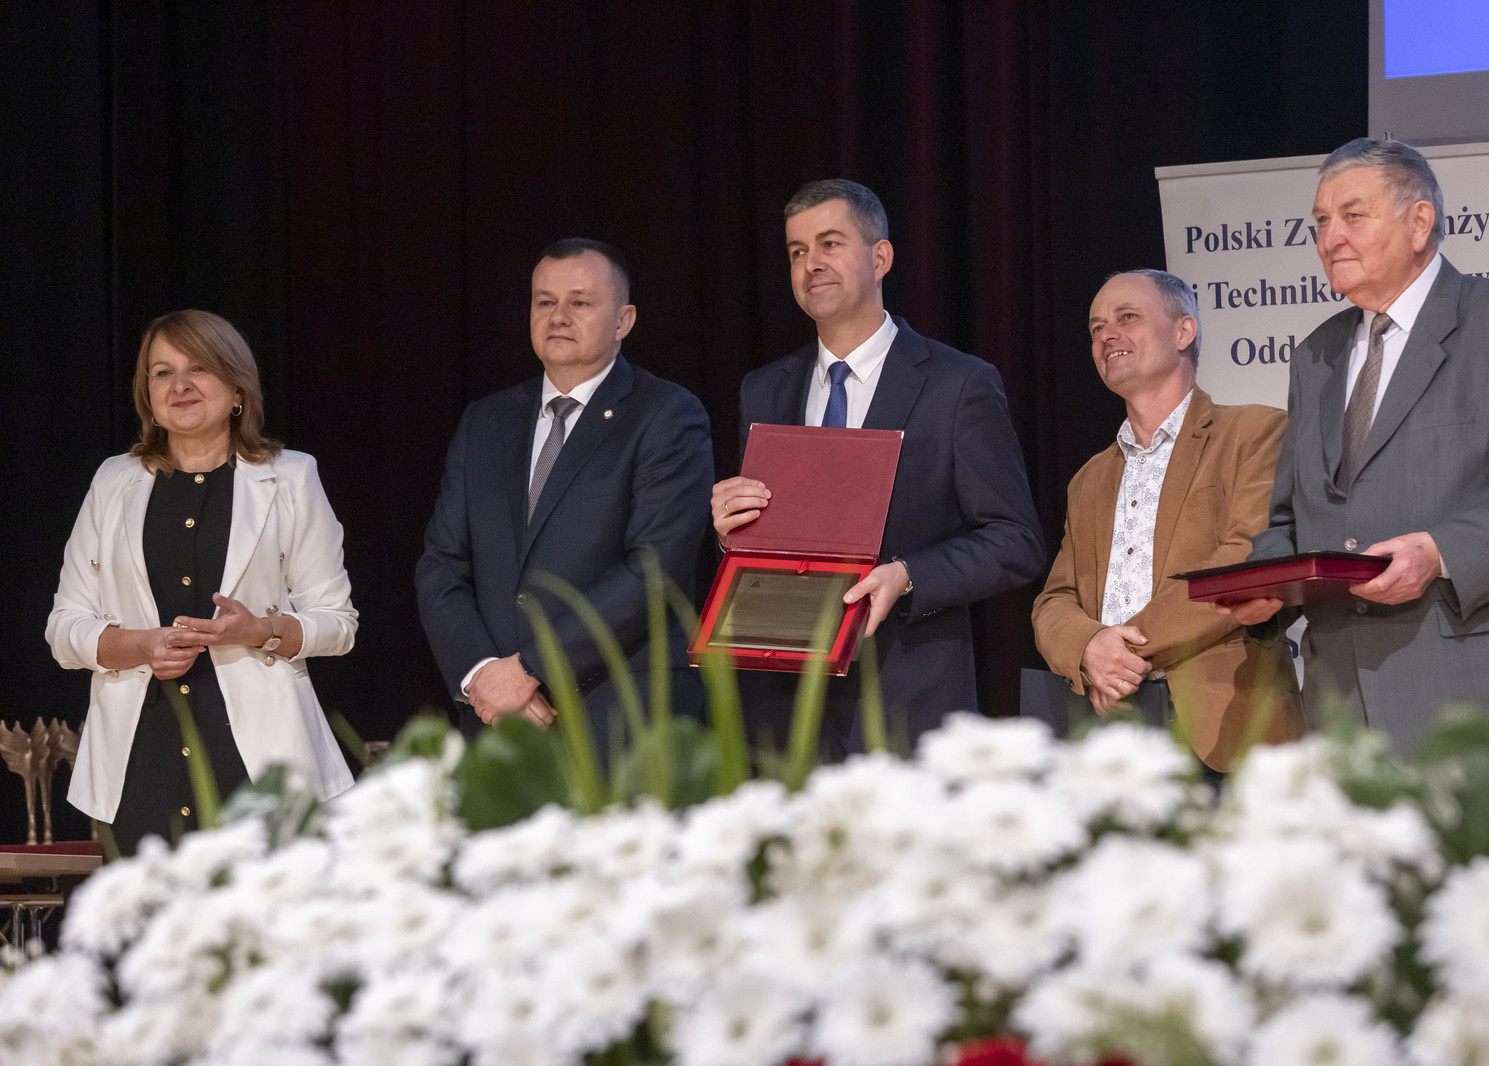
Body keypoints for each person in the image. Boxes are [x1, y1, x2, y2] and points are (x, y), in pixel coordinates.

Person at [1222, 138, 1489, 753]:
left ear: (1420, 222)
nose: (1330, 238)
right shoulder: (1315, 355)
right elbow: (1291, 519)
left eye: (1352, 215)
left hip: (1470, 700)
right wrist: (1267, 586)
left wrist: (1439, 553)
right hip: (1341, 707)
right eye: (1320, 221)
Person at [711, 179, 1046, 756]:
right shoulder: (763, 390)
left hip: (906, 699)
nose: (812, 264)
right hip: (785, 710)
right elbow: (769, 538)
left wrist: (908, 575)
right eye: (797, 251)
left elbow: (1015, 540)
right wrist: (731, 532)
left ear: (881, 257)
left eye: (830, 243)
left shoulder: (957, 383)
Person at [47, 310, 357, 854]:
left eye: (200, 368)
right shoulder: (112, 481)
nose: (180, 385)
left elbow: (338, 624)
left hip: (260, 763)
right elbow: (64, 628)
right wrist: (141, 645)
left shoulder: (292, 477)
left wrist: (260, 630)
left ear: (237, 389)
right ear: (147, 395)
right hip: (139, 762)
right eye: (162, 373)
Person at [416, 238, 713, 746]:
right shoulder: (486, 421)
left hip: (620, 719)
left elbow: (654, 569)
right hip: (499, 723)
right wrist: (482, 674)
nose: (558, 317)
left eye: (580, 302)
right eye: (545, 302)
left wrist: (531, 669)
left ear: (623, 321)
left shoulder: (666, 414)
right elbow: (441, 567)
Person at [1032, 270, 1301, 772]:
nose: (1107, 335)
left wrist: (1118, 651)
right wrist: (1087, 646)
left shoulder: (1254, 432)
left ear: (1183, 331)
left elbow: (1246, 559)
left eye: (1127, 317)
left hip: (1225, 728)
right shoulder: (1088, 479)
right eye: (1096, 328)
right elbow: (1055, 599)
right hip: (1113, 736)